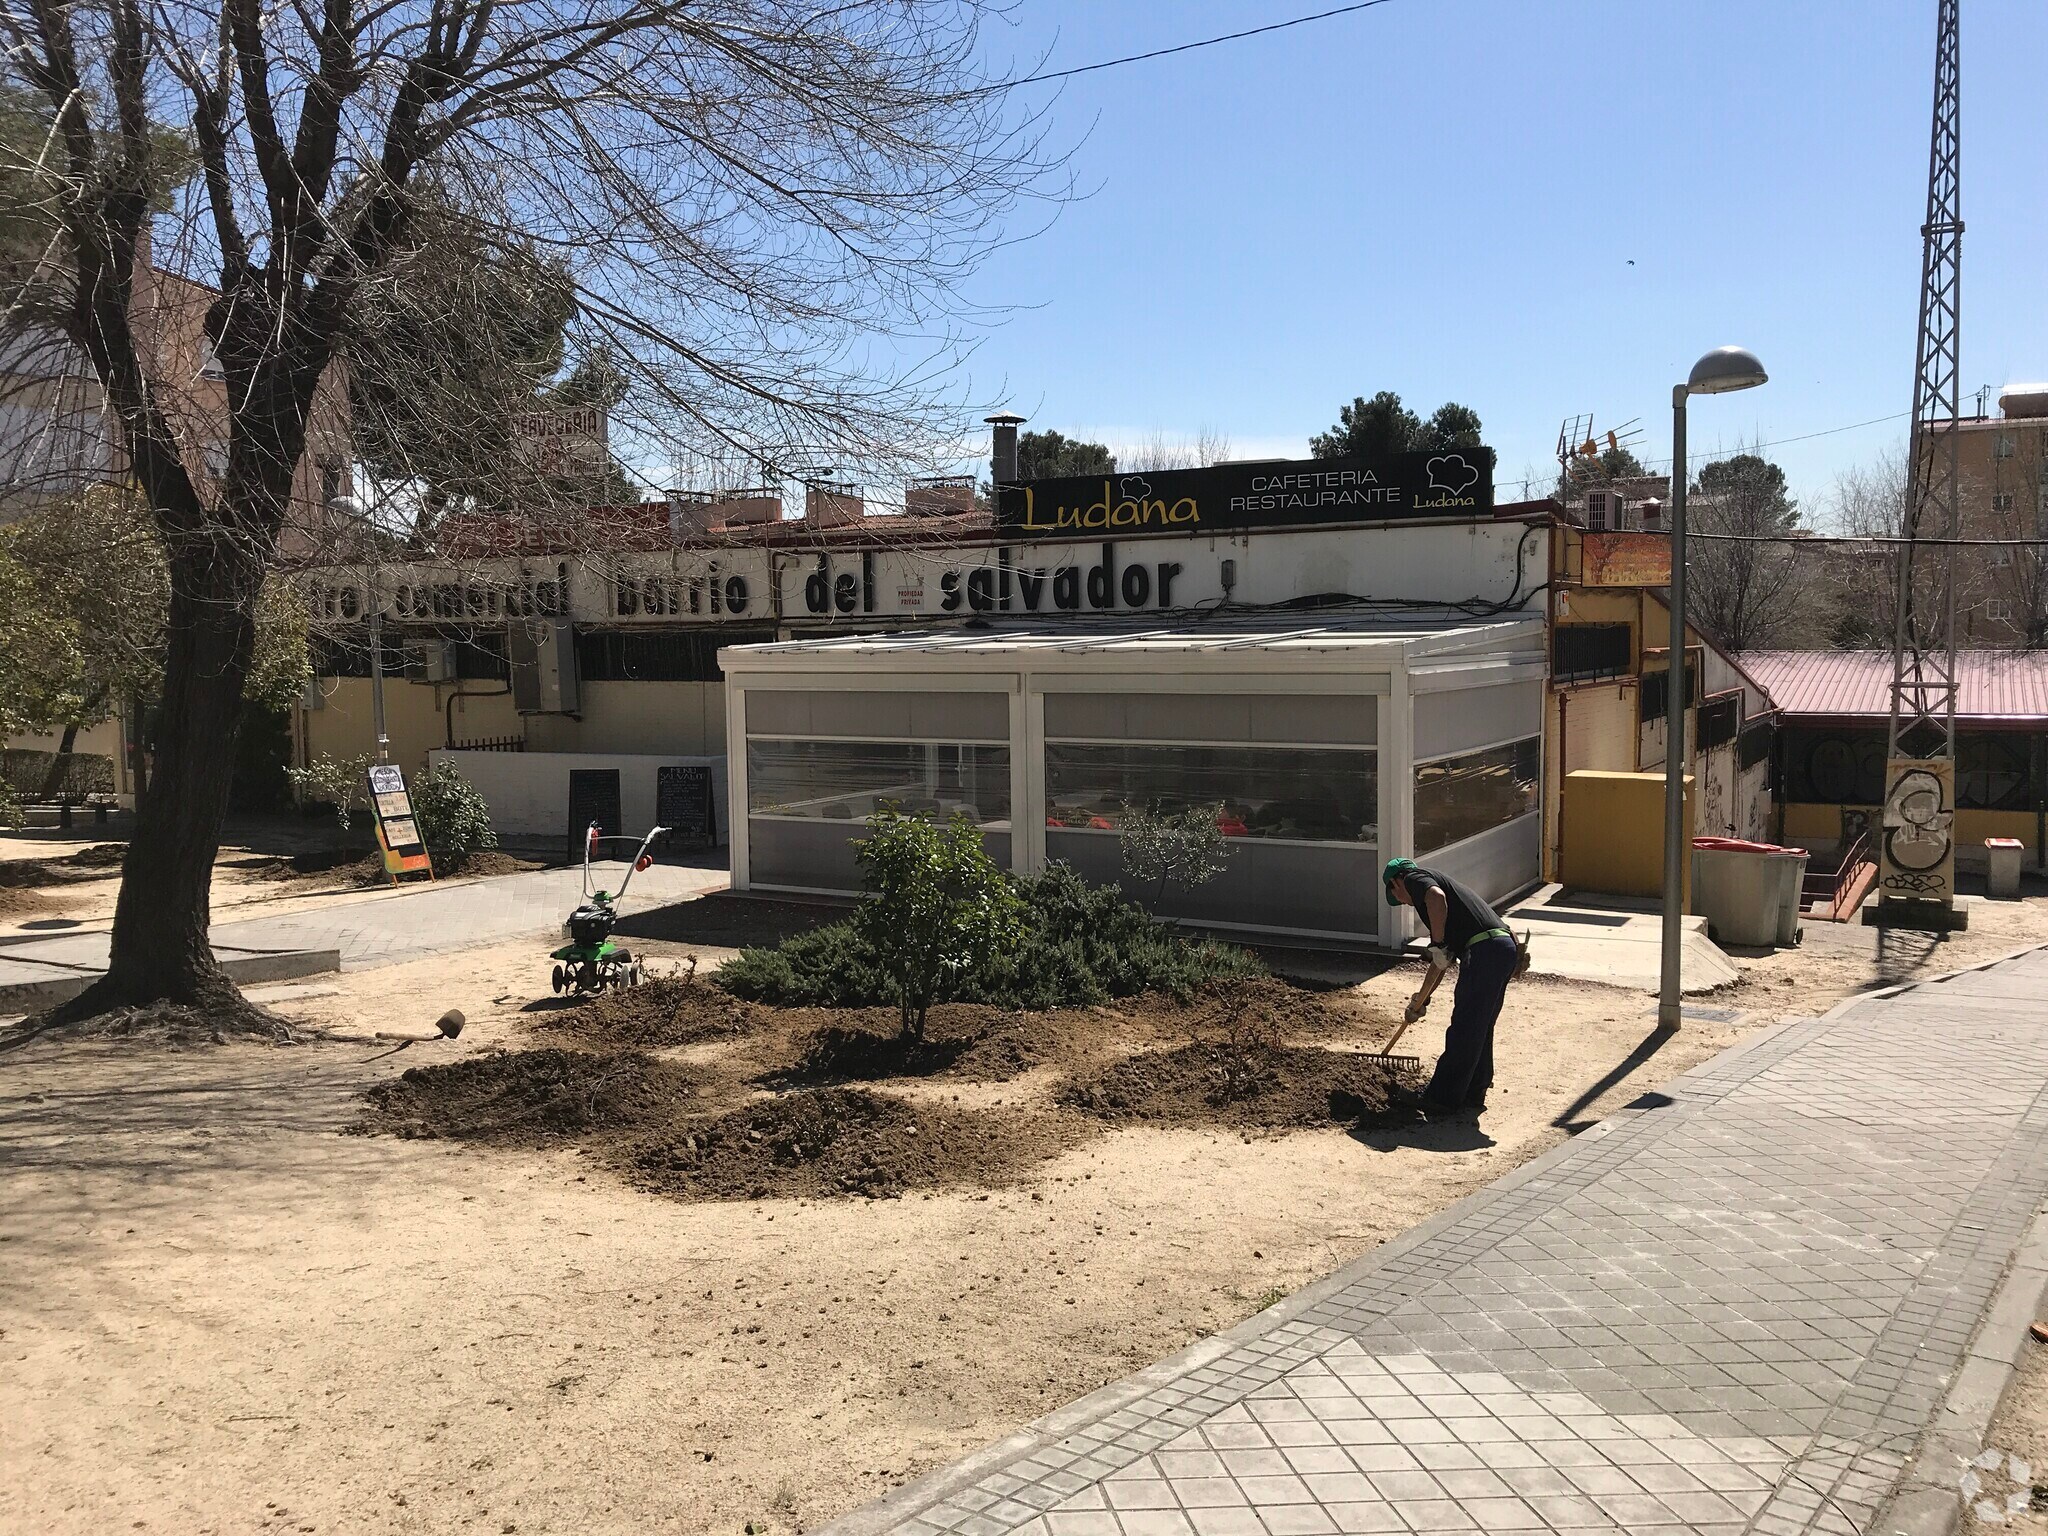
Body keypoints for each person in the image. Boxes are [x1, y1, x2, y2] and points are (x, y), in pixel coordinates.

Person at [1381, 857, 1518, 1117]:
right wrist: (1421, 1000)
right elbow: (1441, 961)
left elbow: (1436, 898)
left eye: (1395, 895)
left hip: (1484, 951)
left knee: (1465, 1024)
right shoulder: (1448, 910)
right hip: (1501, 948)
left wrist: (1438, 943)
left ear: (1397, 882)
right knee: (1479, 1024)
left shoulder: (1415, 879)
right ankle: (1473, 1091)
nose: (1402, 902)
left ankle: (1441, 1098)